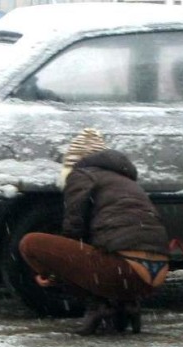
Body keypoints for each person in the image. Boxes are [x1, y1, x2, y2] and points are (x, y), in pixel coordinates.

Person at [19, 128, 170, 335]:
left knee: (30, 243)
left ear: (73, 162)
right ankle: (127, 305)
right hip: (154, 276)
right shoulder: (126, 182)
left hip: (122, 273)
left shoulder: (81, 175)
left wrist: (50, 271)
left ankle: (98, 306)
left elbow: (74, 228)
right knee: (103, 253)